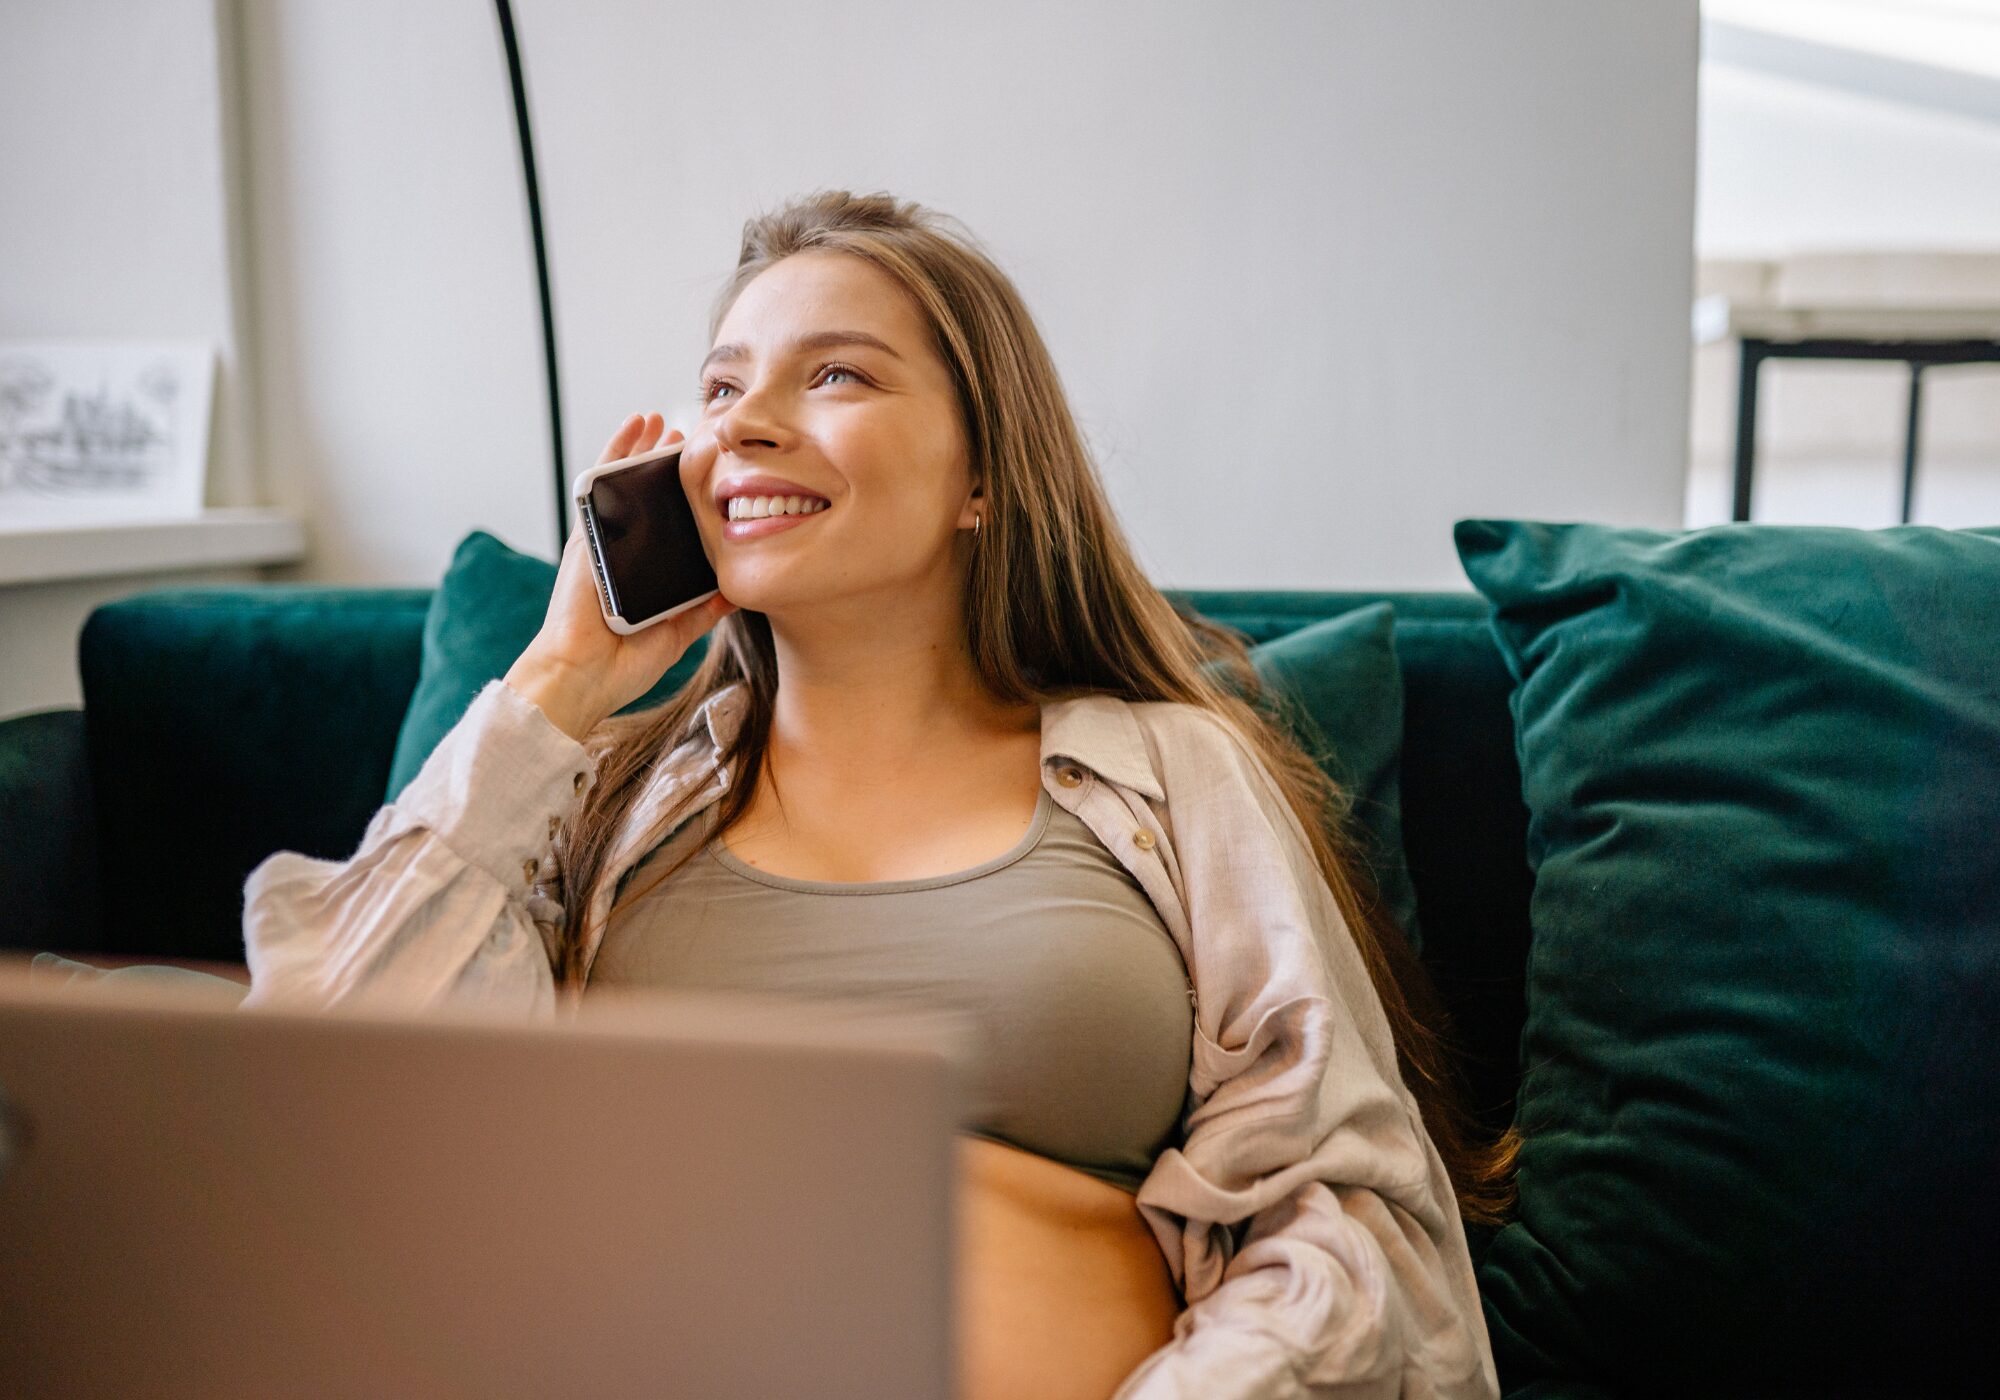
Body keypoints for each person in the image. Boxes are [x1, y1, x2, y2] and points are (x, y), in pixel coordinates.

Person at [244, 190, 1515, 1399]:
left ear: (982, 475)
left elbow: (1342, 1211)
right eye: (721, 386)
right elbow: (325, 1117)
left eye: (835, 373)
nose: (740, 422)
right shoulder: (594, 806)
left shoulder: (1174, 771)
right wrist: (566, 676)